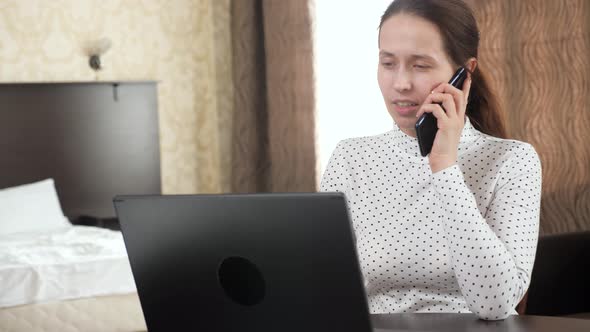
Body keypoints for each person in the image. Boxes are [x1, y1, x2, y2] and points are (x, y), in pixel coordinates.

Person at [319, 0, 542, 321]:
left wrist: (444, 166)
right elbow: (326, 289)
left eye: (420, 65)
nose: (400, 83)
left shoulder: (513, 161)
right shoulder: (351, 158)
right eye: (388, 63)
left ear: (464, 74)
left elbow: (495, 303)